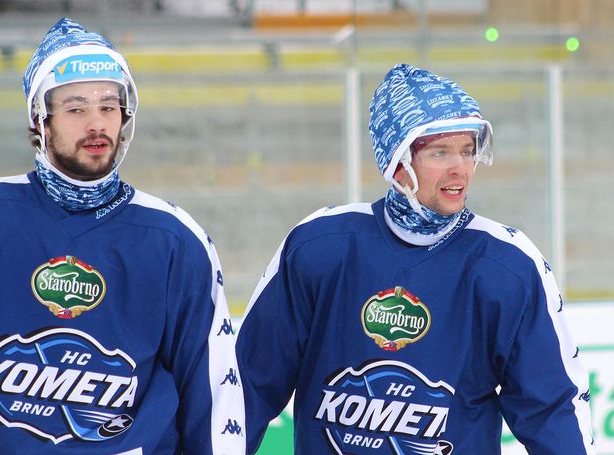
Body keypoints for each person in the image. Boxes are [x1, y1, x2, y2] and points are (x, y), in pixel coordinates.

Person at [236, 63, 595, 454]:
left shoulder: (507, 266)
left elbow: (552, 410)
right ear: (396, 162)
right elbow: (245, 388)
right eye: (440, 152)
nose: (460, 167)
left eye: (467, 150)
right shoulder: (320, 247)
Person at [0, 17, 245, 454]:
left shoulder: (175, 240)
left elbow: (211, 396)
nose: (96, 123)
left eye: (108, 106)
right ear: (41, 121)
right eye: (76, 108)